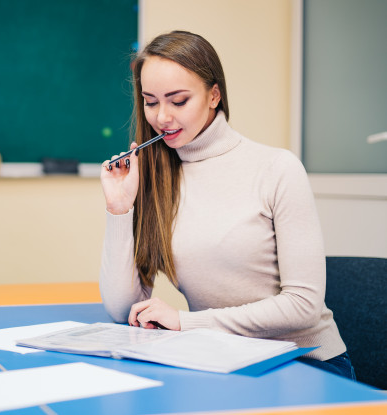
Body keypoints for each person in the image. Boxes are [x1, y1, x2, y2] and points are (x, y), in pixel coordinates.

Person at [99, 30, 355, 380]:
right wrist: (119, 210)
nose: (161, 117)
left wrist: (187, 323)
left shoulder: (277, 168)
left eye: (178, 101)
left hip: (304, 364)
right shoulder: (154, 176)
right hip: (218, 361)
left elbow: (304, 307)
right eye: (151, 101)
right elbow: (121, 310)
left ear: (213, 95)